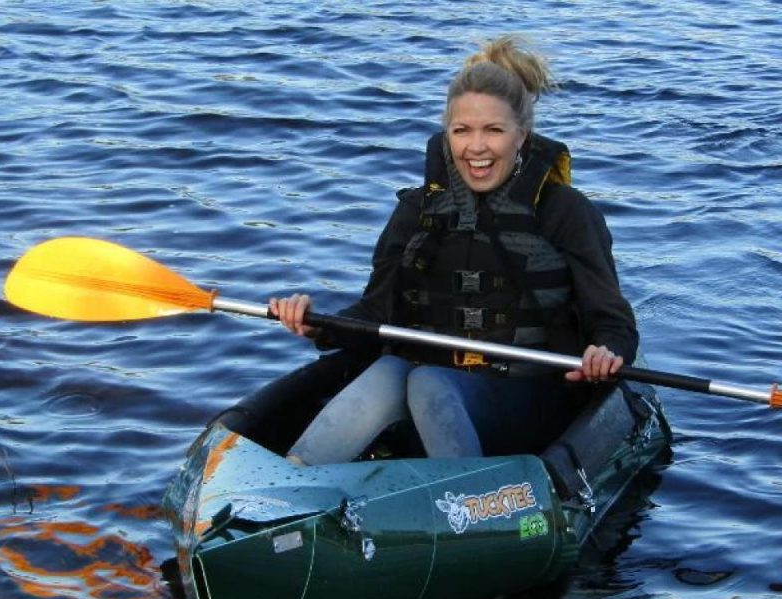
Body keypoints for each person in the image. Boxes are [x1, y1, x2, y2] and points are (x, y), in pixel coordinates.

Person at [270, 35, 639, 465]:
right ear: (447, 133)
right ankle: (288, 486)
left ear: (521, 135)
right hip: (427, 395)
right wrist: (318, 326)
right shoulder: (416, 210)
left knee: (429, 383)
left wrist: (605, 353)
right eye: (462, 130)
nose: (476, 148)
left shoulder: (566, 212)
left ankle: (469, 509)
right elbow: (376, 314)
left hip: (530, 401)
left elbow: (614, 325)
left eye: (493, 131)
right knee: (393, 371)